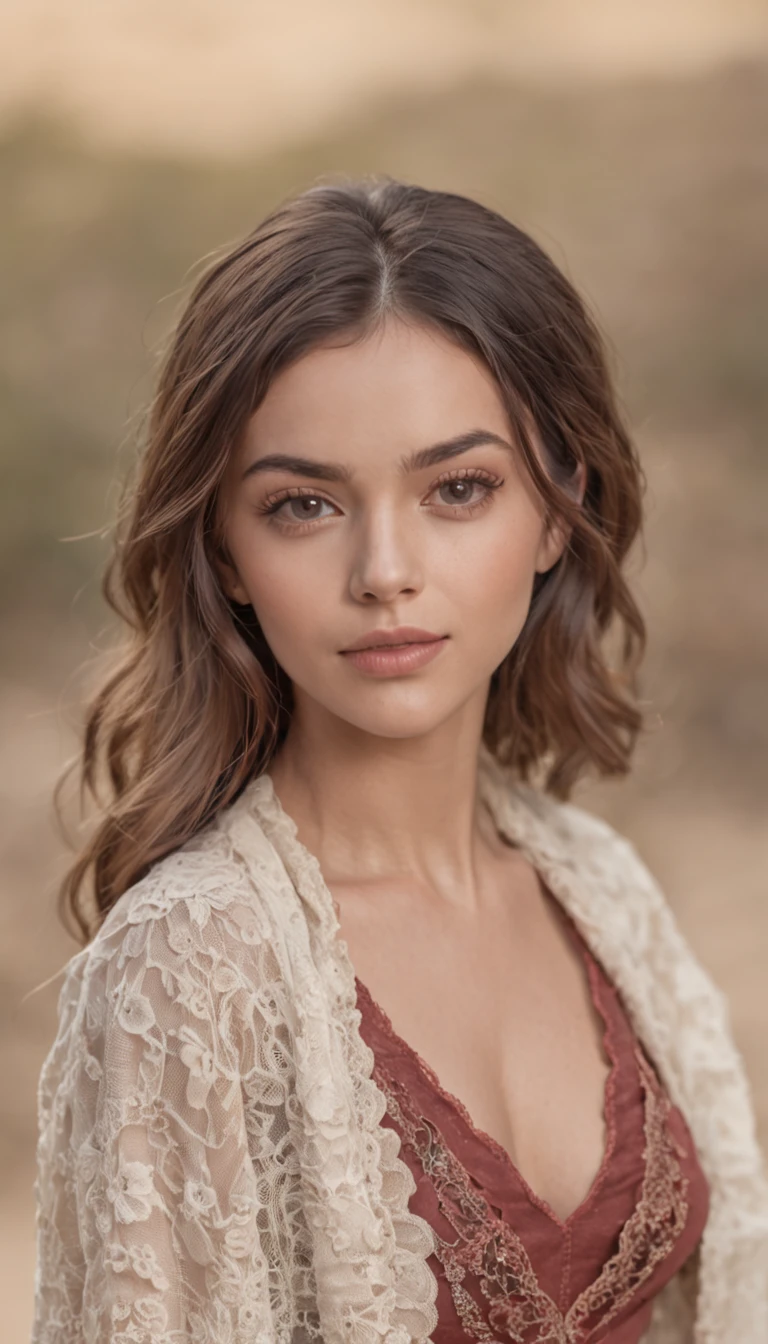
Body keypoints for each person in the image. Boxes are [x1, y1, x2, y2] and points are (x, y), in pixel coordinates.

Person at [31, 177, 767, 1344]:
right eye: (305, 505)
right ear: (222, 549)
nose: (385, 569)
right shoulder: (187, 972)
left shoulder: (602, 892)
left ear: (558, 511)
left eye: (458, 489)